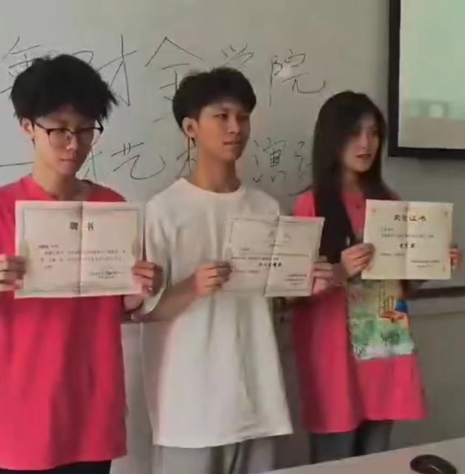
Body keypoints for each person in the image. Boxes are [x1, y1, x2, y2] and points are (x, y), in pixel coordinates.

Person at [0, 54, 161, 474]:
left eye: (86, 130)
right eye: (59, 130)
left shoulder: (111, 206)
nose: (74, 144)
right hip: (14, 421)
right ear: (28, 127)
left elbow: (116, 304)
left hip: (89, 414)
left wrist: (137, 291)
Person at [137, 67, 335, 474]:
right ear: (190, 128)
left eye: (243, 117)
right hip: (190, 410)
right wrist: (192, 286)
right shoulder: (163, 210)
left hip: (257, 401)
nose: (235, 128)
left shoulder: (266, 207)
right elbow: (145, 310)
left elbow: (279, 297)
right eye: (221, 116)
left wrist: (307, 283)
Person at [290, 91, 463, 463]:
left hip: (383, 349)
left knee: (378, 462)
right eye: (355, 133)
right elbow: (292, 293)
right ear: (333, 138)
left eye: (373, 133)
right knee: (336, 461)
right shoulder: (311, 205)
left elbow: (402, 285)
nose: (366, 144)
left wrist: (434, 263)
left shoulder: (389, 201)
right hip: (334, 357)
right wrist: (340, 271)